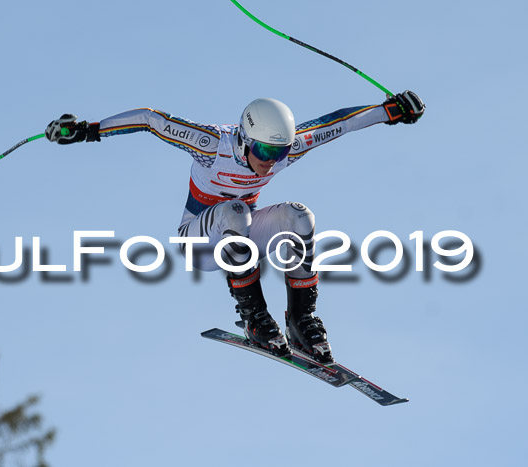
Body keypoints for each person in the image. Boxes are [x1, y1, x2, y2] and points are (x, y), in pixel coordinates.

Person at [44, 91, 425, 363]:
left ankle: (301, 320)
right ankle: (254, 315)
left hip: (239, 238)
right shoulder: (212, 144)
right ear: (244, 140)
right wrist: (89, 130)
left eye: (280, 153)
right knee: (236, 210)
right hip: (197, 241)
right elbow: (150, 119)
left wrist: (389, 110)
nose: (271, 162)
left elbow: (338, 123)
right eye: (264, 152)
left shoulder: (284, 150)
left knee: (299, 216)